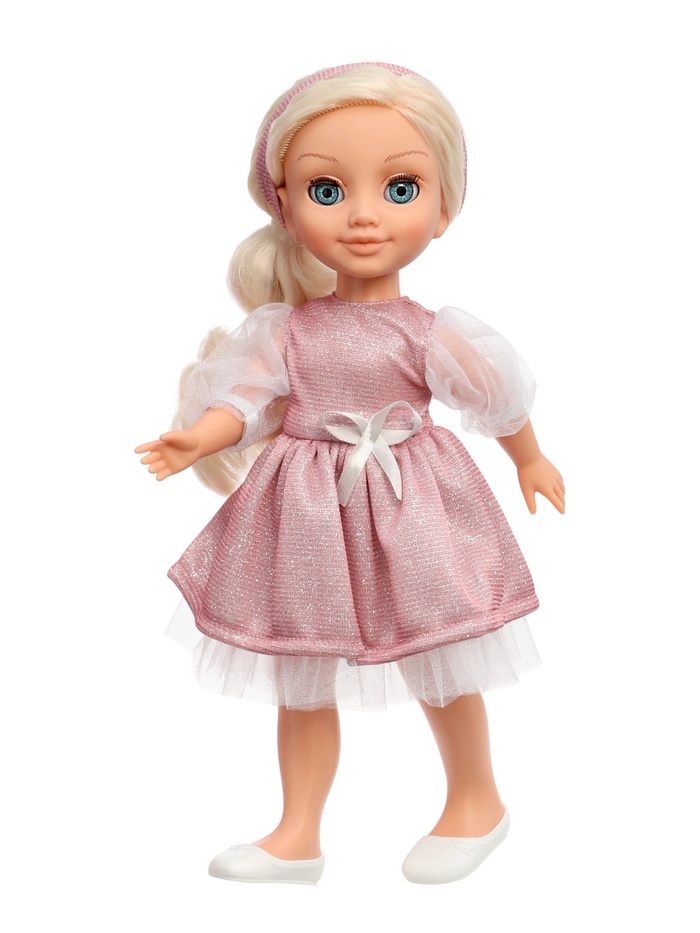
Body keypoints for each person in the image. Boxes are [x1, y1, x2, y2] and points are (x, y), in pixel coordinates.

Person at [136, 62, 565, 886]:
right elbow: (247, 400)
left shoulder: (430, 330)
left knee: (440, 655)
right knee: (302, 673)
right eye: (327, 191)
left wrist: (531, 457)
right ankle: (297, 832)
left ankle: (476, 800)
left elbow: (494, 395)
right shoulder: (287, 330)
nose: (364, 216)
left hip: (412, 505)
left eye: (400, 188)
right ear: (285, 206)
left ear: (443, 206)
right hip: (305, 516)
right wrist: (200, 437)